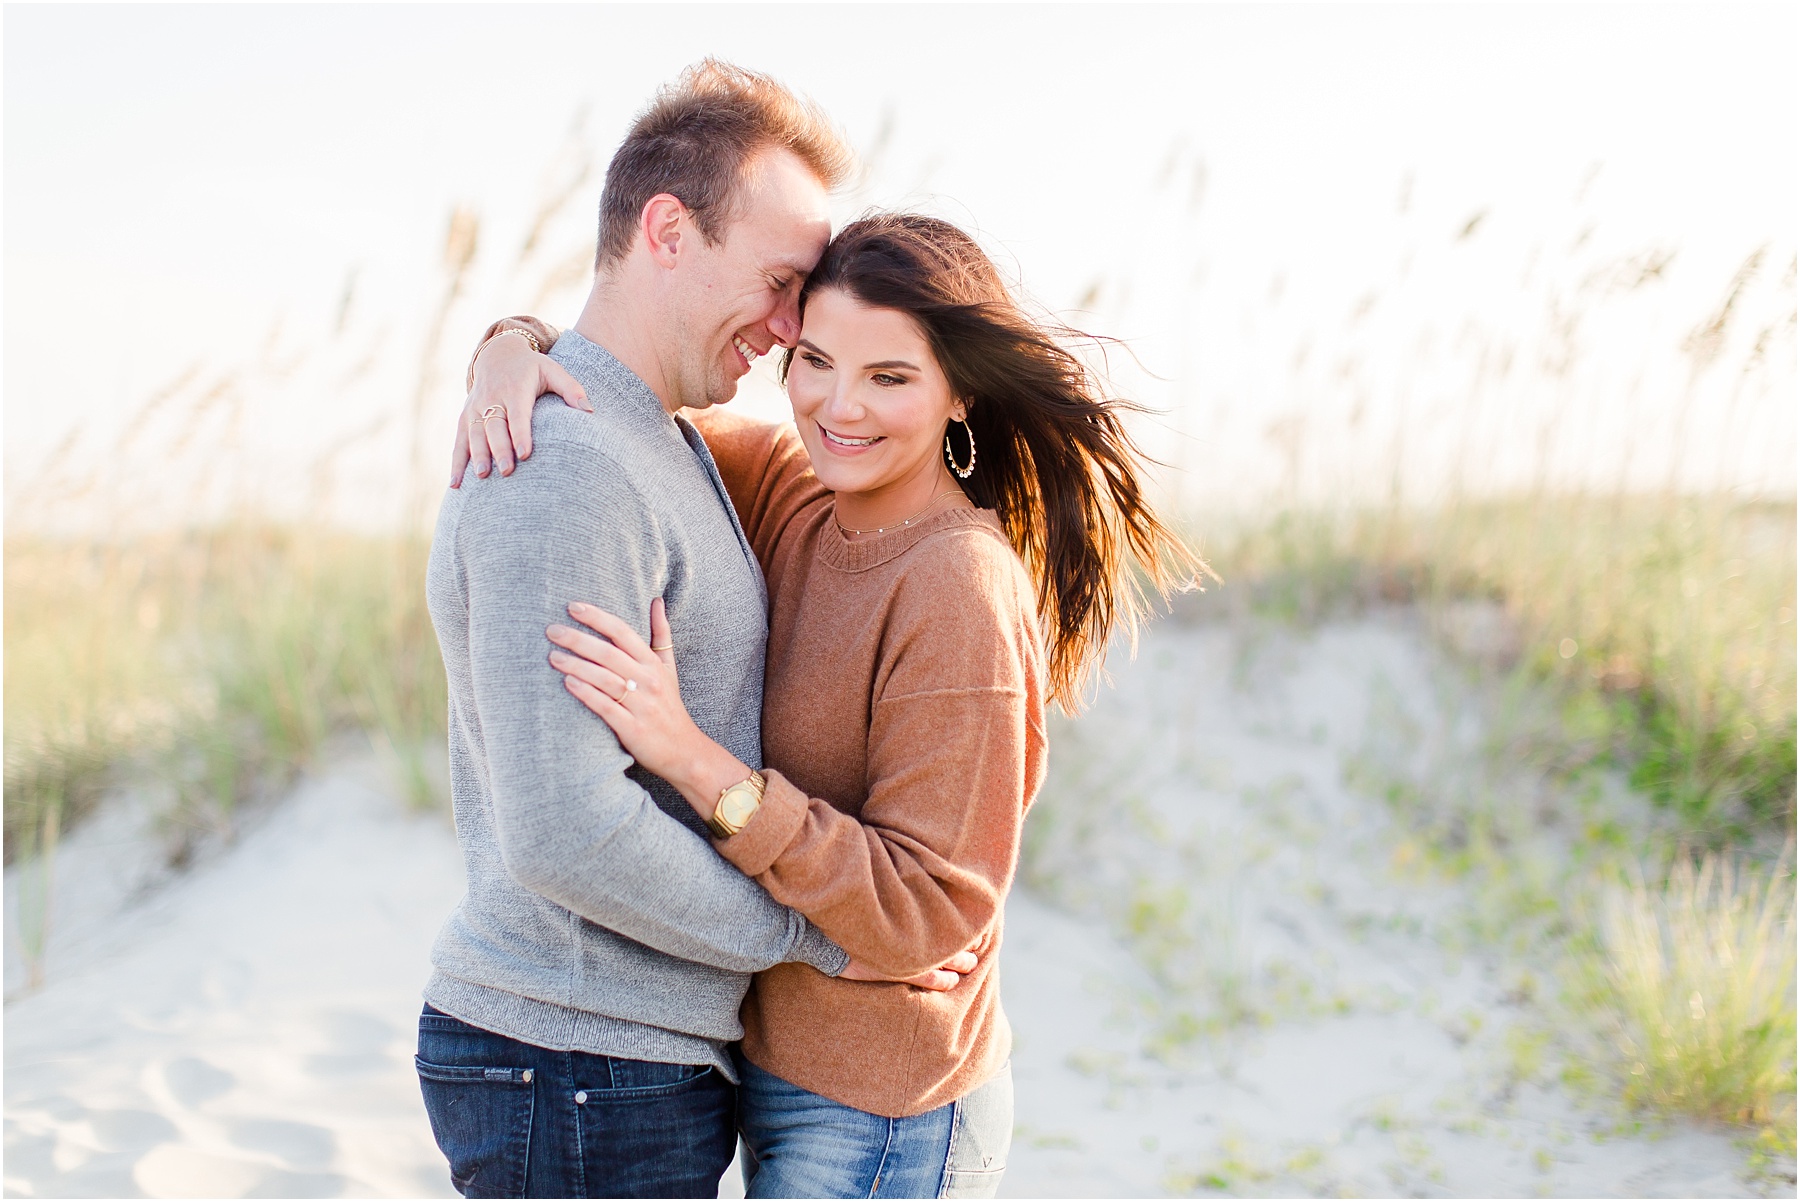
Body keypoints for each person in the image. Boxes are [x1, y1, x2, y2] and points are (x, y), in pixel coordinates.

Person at [457, 213, 1205, 1197]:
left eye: (889, 377)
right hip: (772, 1061)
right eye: (814, 359)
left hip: (886, 1102)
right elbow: (626, 385)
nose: (838, 407)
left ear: (959, 390)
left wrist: (696, 761)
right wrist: (507, 349)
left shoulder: (957, 586)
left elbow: (933, 904)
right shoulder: (789, 493)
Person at [418, 62, 970, 1201]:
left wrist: (508, 339)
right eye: (777, 285)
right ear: (666, 229)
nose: (783, 332)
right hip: (573, 1058)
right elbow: (565, 829)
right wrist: (810, 934)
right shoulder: (568, 466)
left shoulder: (663, 439)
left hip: (614, 1060)